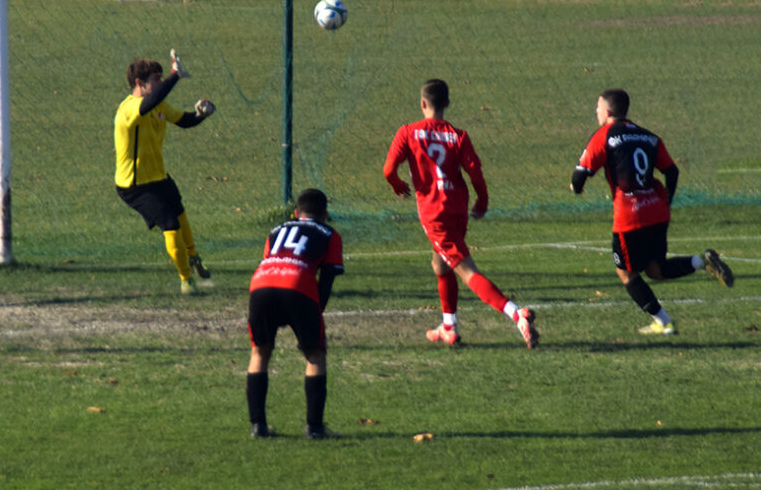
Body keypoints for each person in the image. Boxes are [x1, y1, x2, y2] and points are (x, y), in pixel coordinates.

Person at [383, 79, 539, 349]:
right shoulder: (458, 135)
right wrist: (483, 200)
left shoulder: (408, 132)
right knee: (440, 264)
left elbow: (388, 169)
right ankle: (449, 326)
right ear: (447, 104)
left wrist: (398, 185)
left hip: (434, 213)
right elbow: (475, 173)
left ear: (422, 104)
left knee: (466, 271)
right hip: (457, 208)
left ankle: (517, 314)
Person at [570, 88, 734, 335]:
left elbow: (580, 175)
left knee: (626, 273)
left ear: (608, 111)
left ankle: (664, 322)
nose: (596, 112)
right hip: (657, 211)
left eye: (598, 107)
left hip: (630, 216)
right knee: (655, 270)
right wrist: (665, 201)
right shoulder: (650, 137)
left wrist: (576, 187)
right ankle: (702, 261)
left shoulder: (603, 136)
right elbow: (672, 171)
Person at [114, 50, 216, 295]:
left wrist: (201, 115)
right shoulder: (129, 110)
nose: (160, 84)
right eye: (156, 79)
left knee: (180, 215)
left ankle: (192, 257)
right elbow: (147, 103)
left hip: (159, 177)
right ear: (139, 83)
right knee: (170, 225)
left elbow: (183, 120)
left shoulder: (158, 106)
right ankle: (186, 281)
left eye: (161, 78)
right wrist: (174, 76)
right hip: (135, 186)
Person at [246, 188, 345, 439]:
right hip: (297, 284)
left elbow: (270, 259)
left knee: (260, 352)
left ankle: (258, 426)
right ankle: (314, 428)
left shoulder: (275, 231)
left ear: (296, 212)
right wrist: (313, 318)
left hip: (261, 284)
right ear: (325, 214)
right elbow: (327, 280)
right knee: (314, 355)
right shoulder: (330, 234)